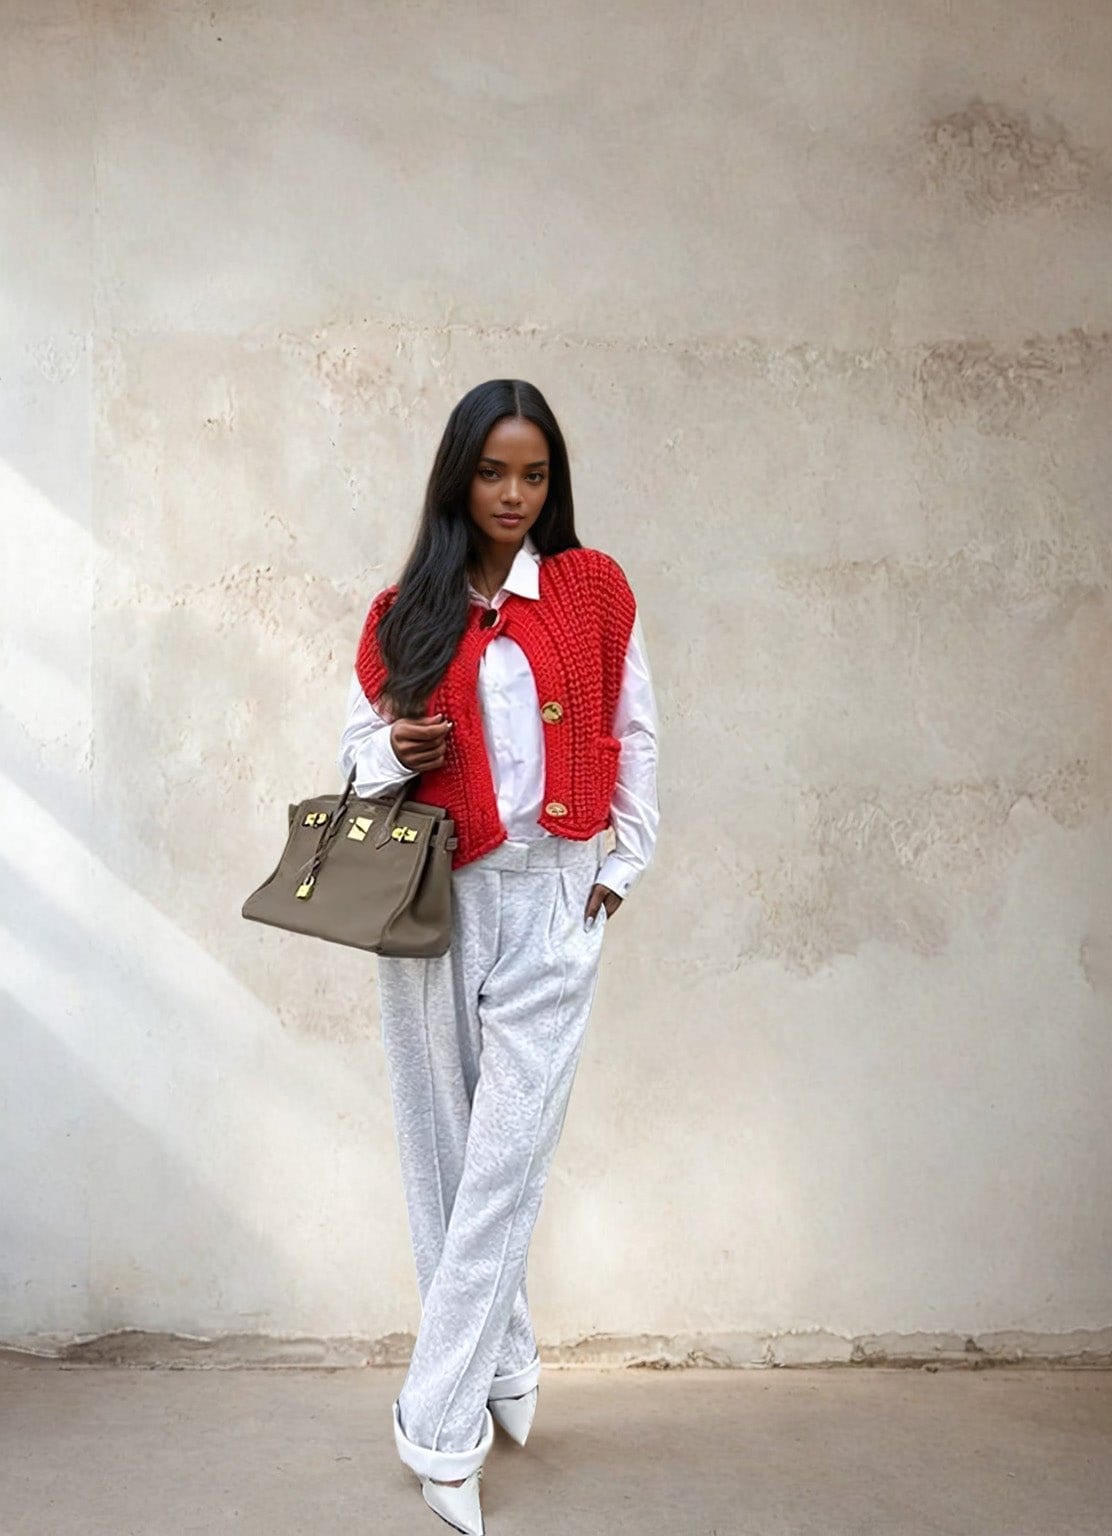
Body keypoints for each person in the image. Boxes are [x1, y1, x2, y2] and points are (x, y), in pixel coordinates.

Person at [337, 378, 659, 1535]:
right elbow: (356, 758)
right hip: (437, 899)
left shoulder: (591, 593)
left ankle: (437, 1421)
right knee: (445, 1149)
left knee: (509, 1152)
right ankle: (508, 1368)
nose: (515, 494)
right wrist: (395, 747)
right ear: (457, 477)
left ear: (552, 480)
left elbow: (637, 727)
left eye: (534, 474)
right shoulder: (402, 610)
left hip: (556, 893)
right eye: (493, 472)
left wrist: (619, 870)